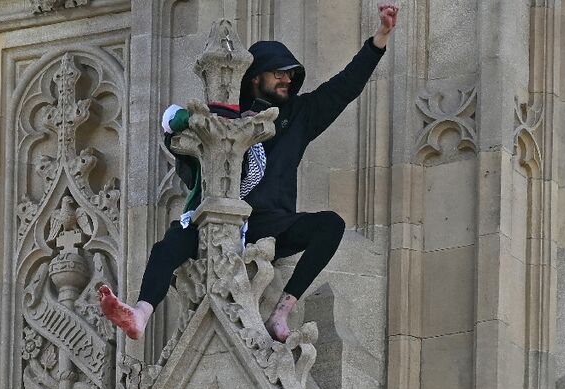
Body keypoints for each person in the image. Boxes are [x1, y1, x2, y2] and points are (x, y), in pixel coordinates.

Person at [100, 3, 400, 342]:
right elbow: (176, 129)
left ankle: (281, 312)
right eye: (280, 73)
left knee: (330, 226)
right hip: (218, 216)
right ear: (256, 77)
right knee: (168, 246)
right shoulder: (224, 117)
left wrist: (380, 38)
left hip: (271, 222)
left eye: (291, 74)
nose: (288, 79)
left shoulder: (297, 116)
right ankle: (140, 313)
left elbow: (343, 88)